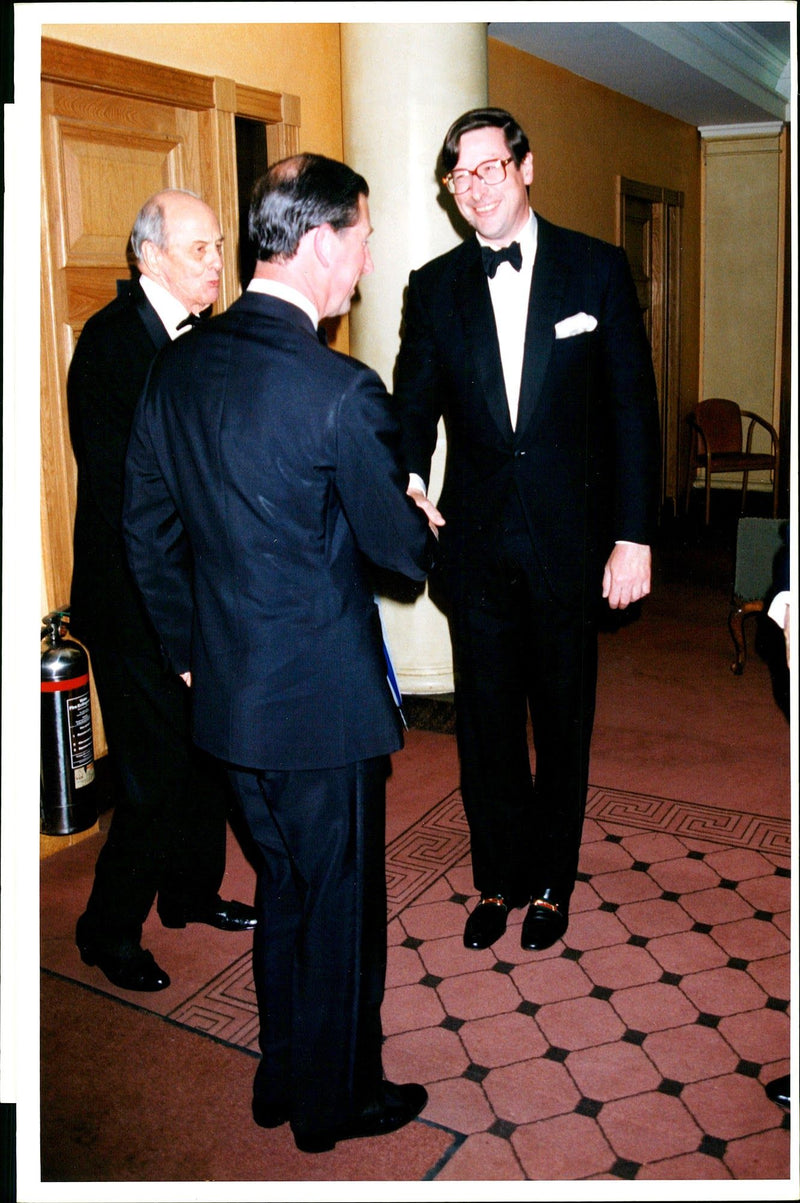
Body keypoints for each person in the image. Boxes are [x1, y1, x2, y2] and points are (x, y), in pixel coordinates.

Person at [122, 155, 436, 1153]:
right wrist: (418, 512)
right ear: (317, 243)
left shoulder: (176, 366)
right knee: (337, 906)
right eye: (363, 236)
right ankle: (334, 1104)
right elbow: (397, 558)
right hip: (322, 710)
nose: (368, 257)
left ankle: (281, 1075)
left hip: (224, 702)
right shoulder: (341, 391)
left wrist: (184, 652)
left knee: (284, 889)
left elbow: (144, 530)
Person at [394, 108, 661, 954]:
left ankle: (551, 880)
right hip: (472, 545)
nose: (475, 189)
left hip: (570, 544)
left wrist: (635, 534)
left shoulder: (597, 270)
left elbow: (632, 415)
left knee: (563, 716)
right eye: (460, 177)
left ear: (526, 167)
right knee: (486, 726)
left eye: (489, 169)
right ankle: (498, 876)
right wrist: (402, 474)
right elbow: (412, 407)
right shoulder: (433, 287)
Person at [69, 190, 257, 994]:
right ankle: (105, 928)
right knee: (150, 776)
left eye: (219, 247)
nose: (218, 263)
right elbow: (135, 501)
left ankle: (189, 892)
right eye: (199, 250)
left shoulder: (206, 336)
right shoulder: (112, 347)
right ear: (150, 257)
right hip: (134, 598)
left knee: (207, 753)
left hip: (197, 593)